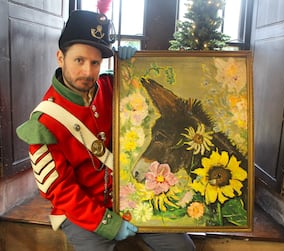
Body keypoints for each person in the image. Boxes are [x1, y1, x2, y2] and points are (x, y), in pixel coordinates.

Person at [16, 9, 196, 251]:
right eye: (79, 60)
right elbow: (59, 191)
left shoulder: (112, 86)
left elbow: (153, 89)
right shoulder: (44, 122)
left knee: (182, 248)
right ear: (60, 57)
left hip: (130, 198)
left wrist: (135, 65)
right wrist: (107, 223)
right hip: (81, 210)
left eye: (95, 63)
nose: (88, 72)